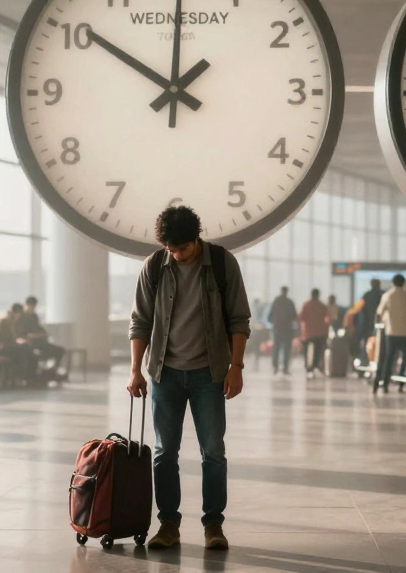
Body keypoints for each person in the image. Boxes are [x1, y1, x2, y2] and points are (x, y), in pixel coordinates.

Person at [128, 206, 250, 552]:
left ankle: (214, 525)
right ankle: (169, 524)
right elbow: (140, 322)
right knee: (165, 452)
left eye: (182, 248)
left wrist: (236, 367)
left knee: (213, 452)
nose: (177, 255)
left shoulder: (222, 264)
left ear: (196, 239)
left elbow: (239, 319)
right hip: (164, 373)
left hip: (209, 374)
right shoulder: (155, 266)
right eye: (171, 249)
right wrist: (135, 369)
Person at [376, 275, 406, 392]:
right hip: (405, 332)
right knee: (405, 358)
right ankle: (401, 383)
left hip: (391, 332)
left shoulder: (387, 295)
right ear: (403, 283)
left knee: (389, 358)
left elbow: (379, 312)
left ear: (393, 283)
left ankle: (385, 383)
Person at [17, 296, 66, 381]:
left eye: (33, 306)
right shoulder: (21, 317)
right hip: (29, 342)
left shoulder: (34, 316)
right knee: (36, 353)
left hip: (39, 341)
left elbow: (38, 328)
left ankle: (51, 371)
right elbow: (20, 333)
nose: (32, 308)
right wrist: (32, 336)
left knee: (60, 351)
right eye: (31, 306)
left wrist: (42, 333)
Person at [0, 303, 38, 384]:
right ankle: (24, 377)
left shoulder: (7, 319)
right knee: (23, 350)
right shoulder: (5, 321)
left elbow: (12, 337)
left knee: (26, 349)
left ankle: (27, 377)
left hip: (2, 345)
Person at [299, 289, 330, 378]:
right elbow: (328, 319)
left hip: (308, 333)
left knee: (307, 352)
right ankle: (315, 366)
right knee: (318, 351)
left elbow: (301, 317)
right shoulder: (322, 306)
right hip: (320, 333)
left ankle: (308, 367)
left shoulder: (306, 305)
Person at [266, 287, 297, 376]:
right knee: (286, 349)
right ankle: (285, 368)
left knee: (276, 348)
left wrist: (275, 322)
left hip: (277, 329)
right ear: (287, 292)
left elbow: (269, 317)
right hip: (287, 330)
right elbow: (294, 316)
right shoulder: (289, 302)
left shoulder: (276, 302)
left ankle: (275, 367)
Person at [354, 280, 385, 366]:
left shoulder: (366, 295)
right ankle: (379, 363)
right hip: (381, 325)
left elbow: (360, 311)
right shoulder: (383, 295)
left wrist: (360, 326)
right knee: (380, 345)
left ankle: (366, 362)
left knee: (367, 345)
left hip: (367, 325)